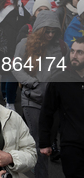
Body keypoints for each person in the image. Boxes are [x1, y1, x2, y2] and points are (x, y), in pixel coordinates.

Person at [12, 10, 65, 178]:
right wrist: (32, 83)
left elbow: (67, 69)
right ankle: (42, 175)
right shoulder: (25, 44)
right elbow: (15, 67)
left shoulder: (62, 47)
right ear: (39, 29)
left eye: (53, 31)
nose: (50, 34)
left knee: (48, 141)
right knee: (38, 141)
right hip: (32, 99)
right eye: (46, 30)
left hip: (53, 101)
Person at [39, 37, 84, 178]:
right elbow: (47, 112)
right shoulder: (60, 80)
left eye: (80, 52)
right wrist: (45, 142)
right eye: (72, 51)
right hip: (72, 145)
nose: (74, 56)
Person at [0, 0, 33, 111]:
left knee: (14, 70)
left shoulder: (29, 2)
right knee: (6, 71)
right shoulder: (2, 1)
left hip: (22, 41)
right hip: (5, 42)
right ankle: (6, 97)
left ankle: (10, 100)